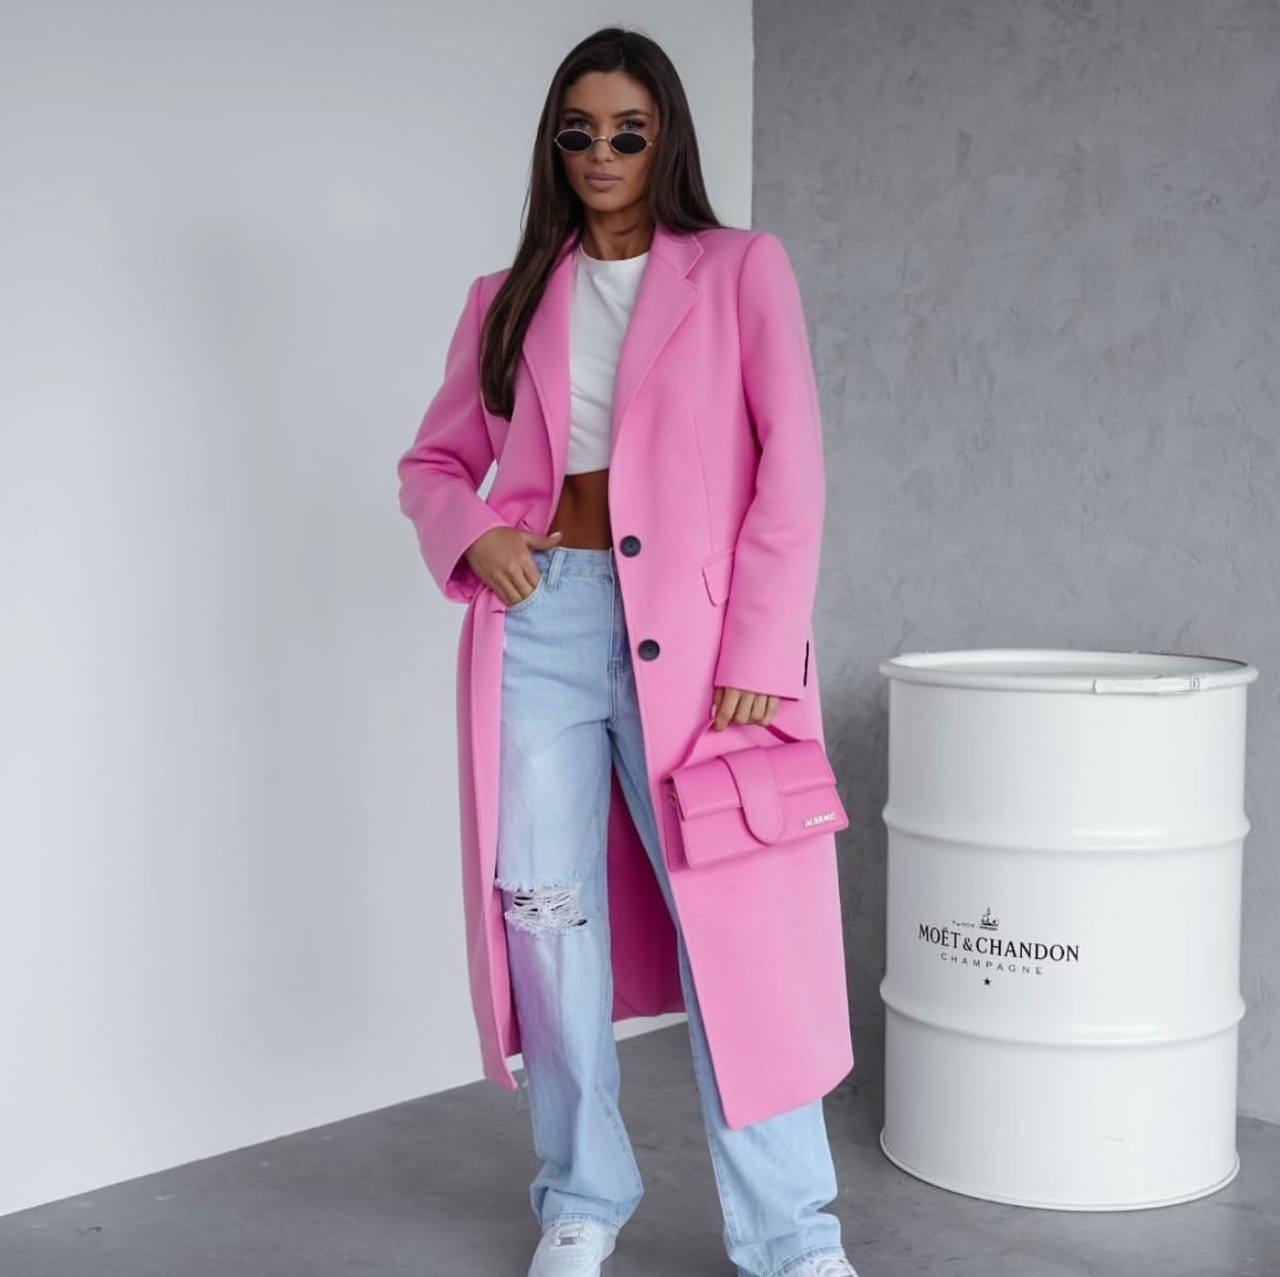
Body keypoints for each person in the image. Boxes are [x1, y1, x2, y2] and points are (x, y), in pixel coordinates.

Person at [397, 25, 859, 1277]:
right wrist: (477, 533)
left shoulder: (741, 268)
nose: (601, 153)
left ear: (664, 142)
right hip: (542, 625)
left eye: (626, 132)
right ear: (553, 146)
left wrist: (758, 641)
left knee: (738, 932)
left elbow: (794, 466)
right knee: (545, 918)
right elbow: (433, 463)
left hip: (703, 651)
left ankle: (791, 1235)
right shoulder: (504, 298)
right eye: (578, 132)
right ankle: (580, 1195)